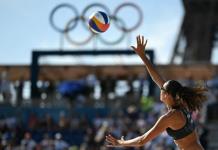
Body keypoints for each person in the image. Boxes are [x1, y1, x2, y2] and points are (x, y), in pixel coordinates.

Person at [105, 35, 207, 150]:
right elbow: (157, 78)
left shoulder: (170, 116)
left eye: (162, 89)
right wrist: (143, 56)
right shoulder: (180, 104)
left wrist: (120, 143)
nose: (160, 89)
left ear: (167, 95)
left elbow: (142, 140)